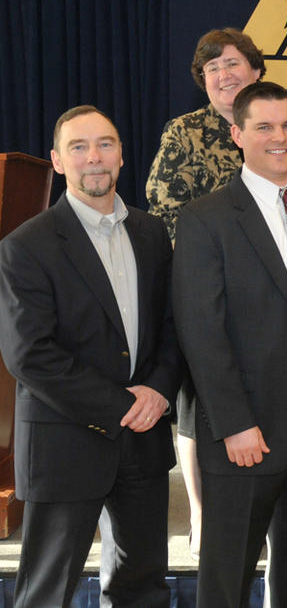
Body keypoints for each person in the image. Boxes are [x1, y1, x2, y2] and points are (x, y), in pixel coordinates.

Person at [172, 82, 287, 607]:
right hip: (245, 428)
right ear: (237, 134)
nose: (280, 137)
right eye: (265, 127)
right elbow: (201, 332)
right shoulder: (205, 218)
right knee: (227, 575)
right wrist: (234, 422)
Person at [0, 106, 182, 607]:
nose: (94, 157)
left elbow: (172, 328)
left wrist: (158, 391)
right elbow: (30, 355)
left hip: (143, 442)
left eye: (105, 144)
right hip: (65, 443)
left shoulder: (151, 234)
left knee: (142, 590)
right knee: (46, 593)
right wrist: (124, 405)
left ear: (122, 155)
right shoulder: (25, 246)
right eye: (78, 147)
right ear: (58, 161)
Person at [145, 27, 287, 558]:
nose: (224, 74)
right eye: (212, 68)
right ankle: (201, 511)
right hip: (206, 283)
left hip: (279, 289)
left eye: (233, 63)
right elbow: (163, 210)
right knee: (202, 399)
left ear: (256, 71)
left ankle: (277, 515)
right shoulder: (184, 132)